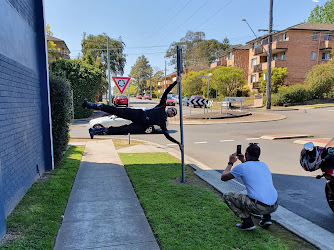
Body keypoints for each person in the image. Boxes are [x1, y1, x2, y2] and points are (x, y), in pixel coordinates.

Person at [82, 77, 182, 150]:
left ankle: (95, 131)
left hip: (141, 126)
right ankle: (90, 105)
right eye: (172, 110)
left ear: (171, 116)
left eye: (174, 113)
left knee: (122, 130)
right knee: (116, 110)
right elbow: (166, 92)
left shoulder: (163, 123)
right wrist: (175, 82)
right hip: (138, 114)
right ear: (169, 109)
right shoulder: (161, 106)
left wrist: (178, 143)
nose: (172, 112)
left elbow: (167, 136)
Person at [220, 143, 278, 230]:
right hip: (274, 205)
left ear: (247, 154)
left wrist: (230, 162)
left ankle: (247, 222)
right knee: (261, 191)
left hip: (258, 207)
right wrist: (243, 160)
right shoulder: (263, 165)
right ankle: (266, 218)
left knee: (227, 196)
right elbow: (250, 168)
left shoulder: (242, 167)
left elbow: (224, 177)